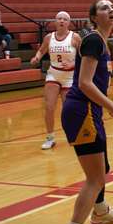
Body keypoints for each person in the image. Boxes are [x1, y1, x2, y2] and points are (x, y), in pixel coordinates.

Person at [56, 0, 113, 224]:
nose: (110, 10)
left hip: (90, 111)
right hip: (82, 111)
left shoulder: (101, 42)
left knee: (103, 167)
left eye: (112, 7)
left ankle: (100, 211)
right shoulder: (93, 40)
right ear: (93, 16)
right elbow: (85, 83)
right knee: (94, 178)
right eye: (103, 8)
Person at [30, 12, 81, 151]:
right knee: (49, 107)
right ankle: (50, 137)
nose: (62, 21)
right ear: (55, 21)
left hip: (70, 76)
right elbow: (41, 51)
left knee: (68, 110)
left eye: (65, 19)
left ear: (69, 22)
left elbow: (83, 58)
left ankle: (73, 134)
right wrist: (37, 58)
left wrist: (73, 65)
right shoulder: (49, 37)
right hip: (54, 74)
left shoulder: (75, 37)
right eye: (59, 19)